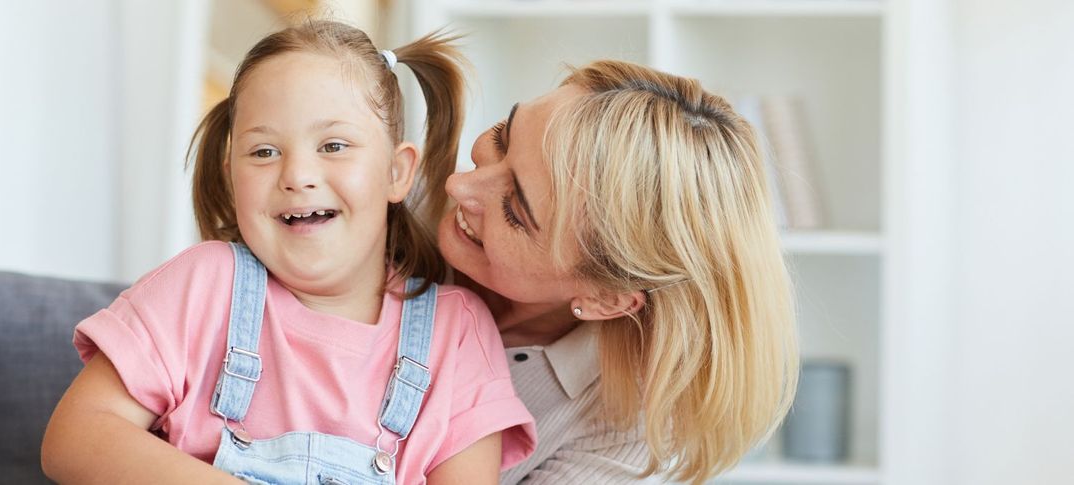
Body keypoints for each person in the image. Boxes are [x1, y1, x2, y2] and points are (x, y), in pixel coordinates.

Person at [41, 20, 535, 484]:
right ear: (232, 177)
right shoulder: (204, 284)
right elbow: (76, 438)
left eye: (334, 146)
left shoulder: (456, 333)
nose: (297, 175)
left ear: (396, 172)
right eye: (264, 152)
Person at [437, 60, 799, 484]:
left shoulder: (622, 431)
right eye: (503, 137)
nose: (458, 185)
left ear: (605, 299)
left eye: (514, 210)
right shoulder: (392, 202)